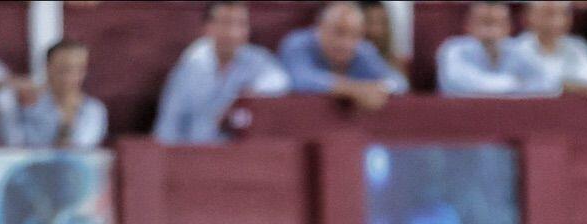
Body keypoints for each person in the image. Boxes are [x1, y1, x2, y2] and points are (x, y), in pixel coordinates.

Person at [154, 1, 290, 145]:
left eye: (241, 24)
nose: (233, 32)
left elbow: (281, 82)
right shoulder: (192, 63)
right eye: (226, 23)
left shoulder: (256, 59)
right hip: (195, 150)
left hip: (241, 152)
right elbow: (168, 125)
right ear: (208, 28)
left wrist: (245, 98)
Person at [279, 0, 408, 114]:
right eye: (339, 32)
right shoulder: (297, 43)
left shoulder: (363, 50)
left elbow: (399, 83)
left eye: (354, 35)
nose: (346, 43)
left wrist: (379, 88)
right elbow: (299, 79)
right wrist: (352, 89)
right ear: (320, 27)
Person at [0, 39, 107, 148]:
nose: (71, 76)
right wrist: (13, 102)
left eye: (79, 69)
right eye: (63, 69)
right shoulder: (25, 105)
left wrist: (68, 116)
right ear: (47, 68)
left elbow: (79, 149)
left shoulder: (93, 110)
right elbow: (12, 142)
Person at [436, 1, 554, 97]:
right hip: (464, 113)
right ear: (469, 25)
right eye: (485, 22)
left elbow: (546, 85)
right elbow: (456, 84)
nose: (490, 30)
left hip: (512, 114)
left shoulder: (520, 50)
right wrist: (515, 83)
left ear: (508, 27)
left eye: (497, 23)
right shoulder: (453, 49)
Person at [511, 0, 587, 96]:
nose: (558, 21)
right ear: (530, 16)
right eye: (549, 14)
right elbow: (538, 84)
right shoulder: (516, 49)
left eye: (564, 13)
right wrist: (578, 87)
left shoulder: (576, 46)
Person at [359, 0, 408, 80]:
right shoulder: (345, 61)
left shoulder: (395, 62)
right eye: (369, 22)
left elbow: (400, 84)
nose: (376, 30)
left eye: (382, 23)